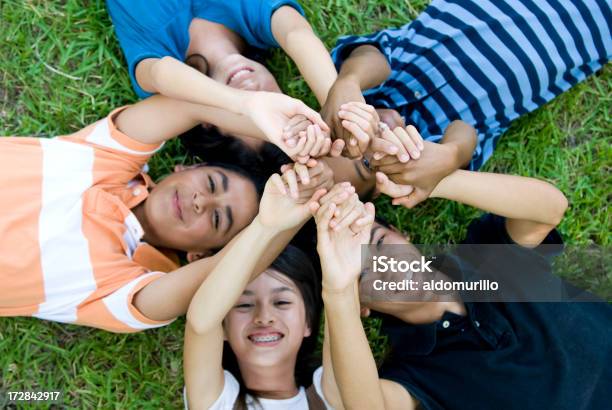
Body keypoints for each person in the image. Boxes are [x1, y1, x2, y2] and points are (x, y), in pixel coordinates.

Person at [0, 88, 334, 333]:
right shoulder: (108, 156)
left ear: (198, 254)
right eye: (212, 183)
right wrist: (287, 134)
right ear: (183, 169)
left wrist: (284, 218)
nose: (201, 201)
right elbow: (187, 104)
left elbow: (227, 269)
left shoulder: (120, 286)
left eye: (218, 219)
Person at [318, 161, 612, 409]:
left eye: (381, 242)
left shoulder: (485, 257)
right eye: (363, 272)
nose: (389, 267)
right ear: (361, 305)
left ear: (401, 233)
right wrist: (337, 290)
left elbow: (550, 208)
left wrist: (436, 182)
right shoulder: (416, 373)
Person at [324, 0, 611, 169]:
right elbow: (466, 136)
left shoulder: (378, 83)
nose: (367, 137)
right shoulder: (429, 145)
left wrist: (348, 83)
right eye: (365, 163)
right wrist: (448, 157)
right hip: (592, 26)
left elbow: (372, 55)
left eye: (345, 133)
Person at [184, 173, 376, 409]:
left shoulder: (331, 398)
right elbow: (201, 322)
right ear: (222, 327)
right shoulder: (217, 402)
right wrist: (265, 226)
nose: (264, 317)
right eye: (244, 305)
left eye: (282, 302)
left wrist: (341, 288)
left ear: (308, 321)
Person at [105, 0, 337, 105]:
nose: (252, 92)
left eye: (244, 119)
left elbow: (161, 73)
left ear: (209, 122)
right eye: (271, 102)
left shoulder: (157, 54)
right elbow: (296, 34)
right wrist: (339, 104)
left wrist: (243, 105)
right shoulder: (255, 18)